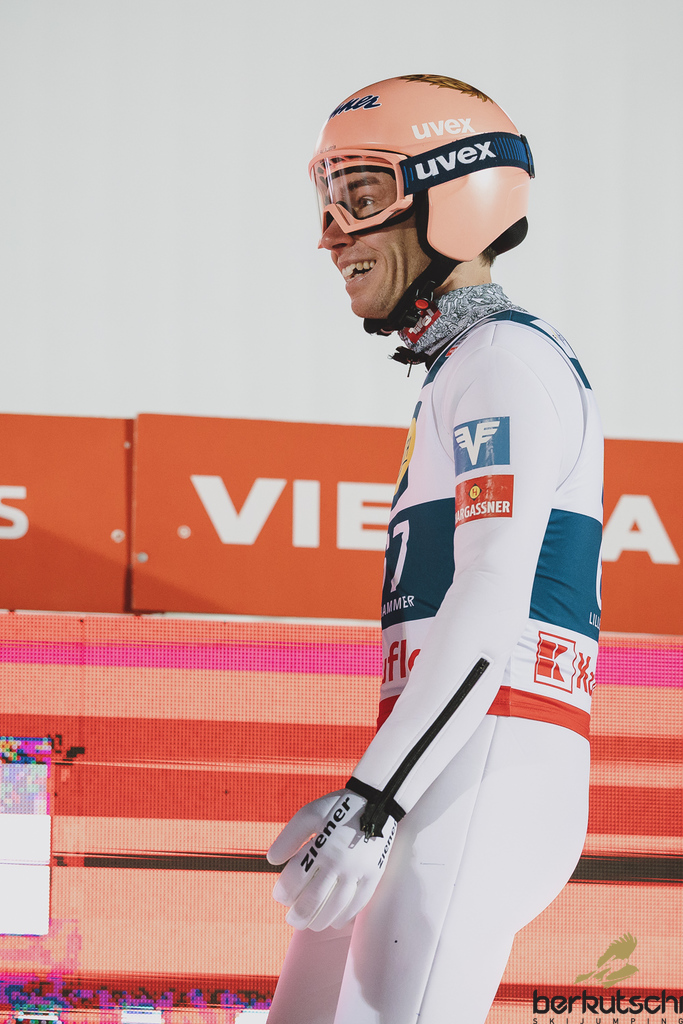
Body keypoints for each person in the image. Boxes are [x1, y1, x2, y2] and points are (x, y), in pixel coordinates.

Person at [265, 75, 603, 1024]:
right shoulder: (470, 364)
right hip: (444, 767)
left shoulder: (501, 360)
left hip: (476, 774)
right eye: (327, 199)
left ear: (459, 195)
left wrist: (373, 801)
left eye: (362, 197)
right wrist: (375, 790)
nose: (331, 235)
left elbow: (493, 597)